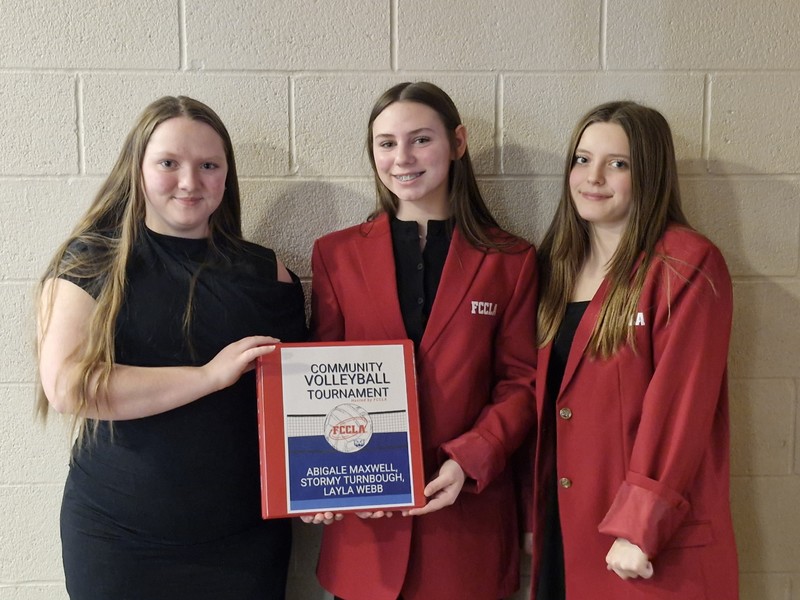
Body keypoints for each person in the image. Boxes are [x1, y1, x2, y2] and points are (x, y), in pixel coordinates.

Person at [35, 95, 307, 599]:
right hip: (118, 540)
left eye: (209, 165)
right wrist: (207, 376)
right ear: (137, 168)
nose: (190, 181)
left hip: (244, 541)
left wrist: (323, 481)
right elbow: (69, 387)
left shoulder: (265, 271)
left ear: (227, 176)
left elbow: (302, 400)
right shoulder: (91, 262)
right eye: (169, 163)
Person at [305, 81, 538, 600]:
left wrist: (468, 459)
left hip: (465, 525)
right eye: (386, 143)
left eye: (420, 140)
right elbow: (317, 380)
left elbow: (521, 383)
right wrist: (317, 477)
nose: (402, 158)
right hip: (366, 531)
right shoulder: (335, 255)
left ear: (457, 143)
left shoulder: (511, 260)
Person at [527, 100, 738, 599]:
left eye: (617, 164)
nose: (592, 177)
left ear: (650, 173)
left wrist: (640, 526)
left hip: (645, 547)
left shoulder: (685, 264)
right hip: (566, 533)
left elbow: (681, 406)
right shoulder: (552, 268)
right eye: (582, 159)